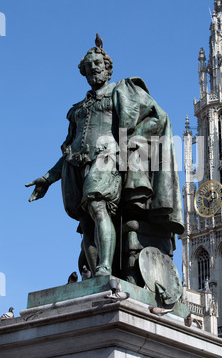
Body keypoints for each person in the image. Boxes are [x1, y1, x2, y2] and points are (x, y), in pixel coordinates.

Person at [26, 36, 184, 282]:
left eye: (98, 65)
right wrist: (49, 177)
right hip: (76, 166)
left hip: (106, 159)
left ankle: (105, 268)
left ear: (108, 68)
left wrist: (131, 143)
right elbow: (67, 149)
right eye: (89, 68)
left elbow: (158, 117)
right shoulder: (77, 109)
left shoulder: (123, 90)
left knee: (98, 207)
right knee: (86, 223)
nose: (94, 70)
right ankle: (97, 278)